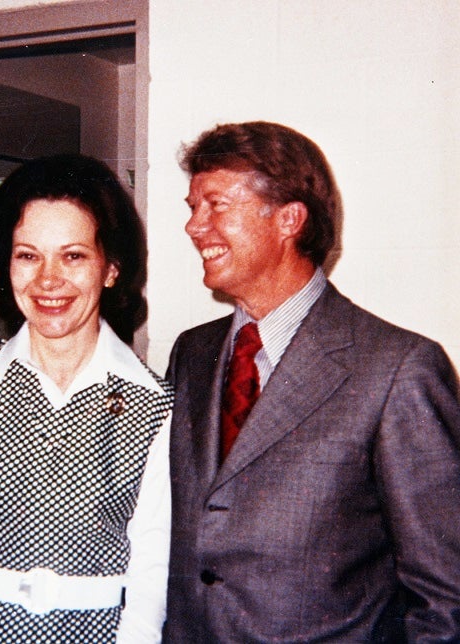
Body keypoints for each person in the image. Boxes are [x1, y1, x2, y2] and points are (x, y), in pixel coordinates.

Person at [162, 120, 460, 641]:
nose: (194, 226)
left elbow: (446, 596)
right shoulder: (194, 352)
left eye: (215, 205)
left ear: (289, 220)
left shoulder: (398, 368)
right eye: (193, 208)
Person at [0, 153, 174, 643]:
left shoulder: (155, 404)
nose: (48, 280)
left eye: (73, 256)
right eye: (28, 255)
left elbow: (153, 577)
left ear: (111, 268)